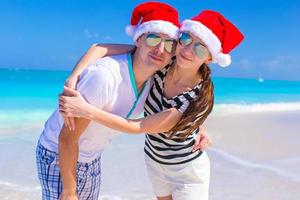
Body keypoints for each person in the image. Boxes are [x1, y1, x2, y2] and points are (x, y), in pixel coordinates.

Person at [60, 10, 244, 200]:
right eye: (186, 38)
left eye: (200, 48)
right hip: (154, 162)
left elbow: (138, 126)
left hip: (186, 171)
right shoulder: (163, 61)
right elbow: (99, 49)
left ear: (210, 58)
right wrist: (74, 77)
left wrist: (86, 110)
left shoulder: (191, 99)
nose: (188, 50)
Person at [36, 2, 209, 200]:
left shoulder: (156, 76)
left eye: (169, 44)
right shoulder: (104, 77)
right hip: (60, 155)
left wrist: (197, 126)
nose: (160, 50)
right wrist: (69, 192)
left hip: (90, 157)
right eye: (153, 38)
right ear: (139, 39)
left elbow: (188, 91)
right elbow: (67, 138)